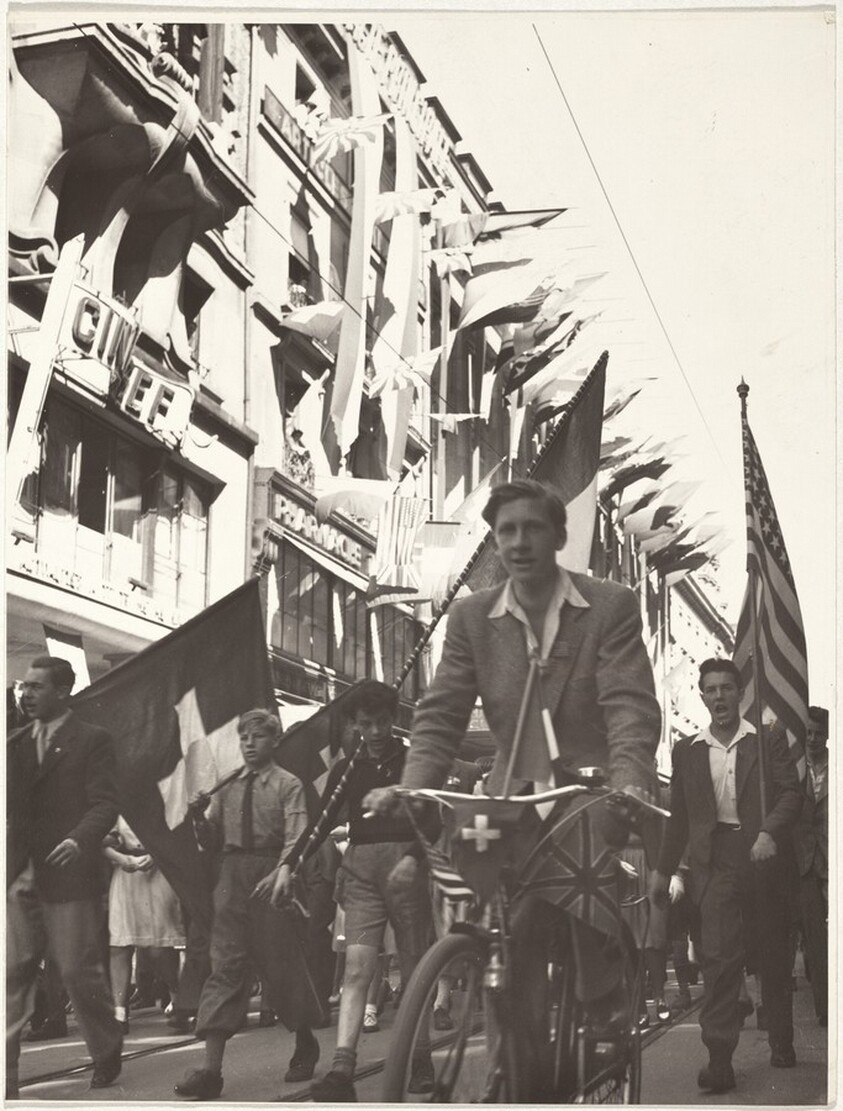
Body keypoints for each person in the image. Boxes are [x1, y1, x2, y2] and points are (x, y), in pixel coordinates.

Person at [366, 479, 662, 1101]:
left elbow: (629, 706)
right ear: (495, 542)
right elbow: (441, 712)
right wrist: (415, 787)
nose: (519, 542)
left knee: (580, 862)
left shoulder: (610, 605)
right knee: (502, 923)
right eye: (507, 531)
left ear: (558, 537)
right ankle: (507, 1038)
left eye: (532, 528)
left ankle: (602, 1000)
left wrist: (630, 780)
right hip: (511, 789)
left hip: (587, 783)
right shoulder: (473, 615)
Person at [649, 658, 802, 1096]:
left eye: (727, 688)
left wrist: (770, 831)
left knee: (771, 951)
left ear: (740, 693)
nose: (719, 696)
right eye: (711, 689)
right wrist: (662, 870)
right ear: (702, 696)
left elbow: (791, 793)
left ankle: (782, 1038)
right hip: (713, 861)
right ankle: (719, 1060)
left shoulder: (766, 738)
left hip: (760, 854)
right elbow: (679, 817)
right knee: (718, 959)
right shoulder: (688, 750)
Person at [282, 679, 436, 1103]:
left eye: (383, 722)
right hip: (363, 877)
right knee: (356, 970)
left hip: (406, 873)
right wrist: (288, 864)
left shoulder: (412, 762)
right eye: (366, 724)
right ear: (354, 724)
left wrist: (414, 860)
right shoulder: (347, 767)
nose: (376, 732)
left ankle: (421, 1058)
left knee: (414, 969)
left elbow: (433, 821)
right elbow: (318, 823)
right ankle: (341, 1070)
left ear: (394, 719)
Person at [174, 709, 321, 1101]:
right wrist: (198, 815)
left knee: (282, 968)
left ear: (274, 741)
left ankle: (305, 1042)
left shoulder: (288, 784)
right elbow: (211, 840)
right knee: (224, 968)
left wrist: (284, 871)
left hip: (272, 877)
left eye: (257, 737)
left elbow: (298, 834)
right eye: (244, 738)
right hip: (232, 878)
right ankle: (211, 1071)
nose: (249, 744)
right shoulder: (228, 786)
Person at [6, 656, 123, 1098]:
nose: (26, 693)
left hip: (69, 875)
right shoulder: (14, 744)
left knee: (77, 971)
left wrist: (79, 839)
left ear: (63, 692)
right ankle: (7, 1081)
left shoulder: (92, 740)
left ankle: (107, 1046)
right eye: (24, 687)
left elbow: (106, 802)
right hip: (19, 875)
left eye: (37, 687)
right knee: (12, 973)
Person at [104, 817, 185, 1033]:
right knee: (119, 945)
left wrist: (158, 855)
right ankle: (120, 1013)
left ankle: (179, 997)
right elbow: (101, 839)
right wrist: (121, 858)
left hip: (159, 872)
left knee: (159, 947)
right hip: (126, 873)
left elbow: (179, 834)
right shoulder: (116, 799)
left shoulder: (164, 791)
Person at [793, 704, 828, 1026]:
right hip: (804, 862)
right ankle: (826, 1010)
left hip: (833, 860)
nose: (813, 739)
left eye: (819, 733)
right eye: (809, 733)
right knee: (816, 941)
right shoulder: (794, 769)